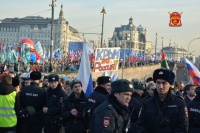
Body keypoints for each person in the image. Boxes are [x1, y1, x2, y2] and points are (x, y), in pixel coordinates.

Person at [137, 68, 188, 133]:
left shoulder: (179, 102)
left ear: (170, 84)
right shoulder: (146, 102)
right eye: (158, 83)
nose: (161, 86)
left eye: (164, 83)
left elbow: (183, 126)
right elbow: (141, 125)